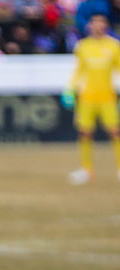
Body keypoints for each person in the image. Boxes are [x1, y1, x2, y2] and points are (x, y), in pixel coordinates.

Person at [63, 13, 120, 185]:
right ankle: (86, 169)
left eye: (101, 23)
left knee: (115, 132)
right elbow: (78, 71)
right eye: (95, 23)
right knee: (85, 133)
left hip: (107, 97)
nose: (98, 26)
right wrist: (70, 90)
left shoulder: (114, 46)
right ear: (89, 26)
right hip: (87, 97)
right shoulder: (82, 46)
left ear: (106, 26)